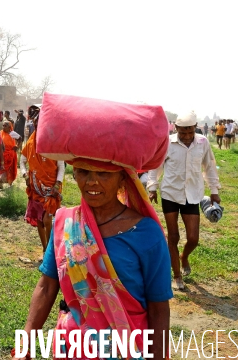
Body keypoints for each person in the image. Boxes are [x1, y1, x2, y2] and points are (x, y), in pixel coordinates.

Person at [13, 94, 172, 360]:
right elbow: (47, 285)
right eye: (84, 172)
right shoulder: (65, 222)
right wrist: (27, 339)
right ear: (74, 174)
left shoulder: (147, 234)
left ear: (123, 179)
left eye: (104, 174)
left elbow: (158, 308)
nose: (92, 183)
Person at [147, 111, 221, 290]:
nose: (187, 136)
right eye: (182, 132)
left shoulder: (202, 143)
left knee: (193, 238)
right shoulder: (167, 143)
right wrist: (152, 187)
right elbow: (155, 166)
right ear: (177, 129)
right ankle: (177, 275)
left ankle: (184, 256)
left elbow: (209, 167)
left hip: (192, 195)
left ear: (195, 128)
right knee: (173, 236)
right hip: (170, 193)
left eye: (190, 132)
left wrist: (214, 190)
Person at [20, 105, 65, 256]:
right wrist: (25, 175)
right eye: (36, 123)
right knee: (39, 221)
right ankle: (45, 248)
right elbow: (22, 161)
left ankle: (50, 251)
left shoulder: (54, 143)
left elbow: (61, 166)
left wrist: (58, 184)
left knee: (47, 220)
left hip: (52, 187)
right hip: (35, 187)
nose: (38, 125)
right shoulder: (31, 143)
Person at [0, 121, 19, 186]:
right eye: (3, 126)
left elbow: (20, 138)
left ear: (9, 127)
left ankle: (10, 184)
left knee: (10, 169)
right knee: (1, 168)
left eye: (5, 126)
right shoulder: (0, 133)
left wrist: (17, 146)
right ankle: (0, 183)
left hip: (10, 154)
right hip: (3, 154)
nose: (3, 127)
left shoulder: (12, 133)